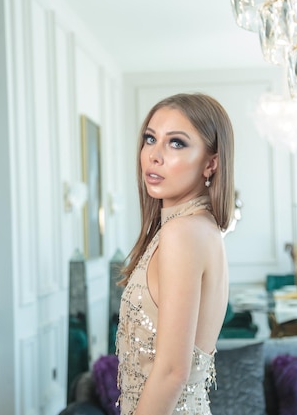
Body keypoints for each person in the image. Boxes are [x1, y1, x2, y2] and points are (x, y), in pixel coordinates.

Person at [115, 93, 235, 415]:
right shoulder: (201, 228)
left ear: (211, 163)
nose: (154, 155)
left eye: (176, 143)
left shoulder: (182, 233)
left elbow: (172, 373)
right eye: (150, 139)